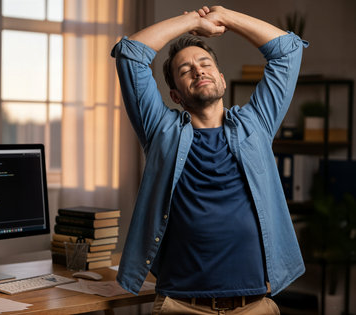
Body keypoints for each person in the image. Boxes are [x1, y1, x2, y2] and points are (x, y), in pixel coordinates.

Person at [111, 5, 308, 314]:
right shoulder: (160, 131)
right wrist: (192, 21)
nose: (198, 70)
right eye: (185, 70)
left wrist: (225, 16)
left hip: (253, 305)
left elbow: (287, 51)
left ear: (221, 79)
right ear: (175, 95)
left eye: (204, 64)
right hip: (181, 305)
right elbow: (130, 53)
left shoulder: (256, 124)